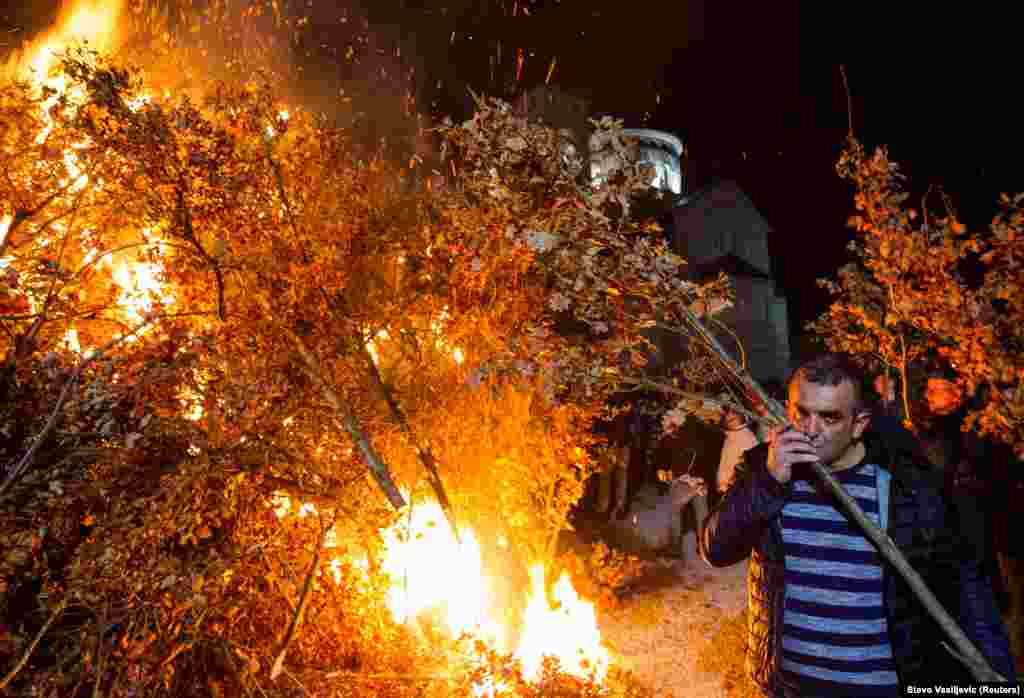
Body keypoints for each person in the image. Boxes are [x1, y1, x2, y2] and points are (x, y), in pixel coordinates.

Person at [700, 353, 1014, 696]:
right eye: (800, 412)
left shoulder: (905, 486)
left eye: (829, 417)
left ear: (859, 424)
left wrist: (998, 680)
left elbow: (968, 587)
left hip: (878, 687)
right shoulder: (764, 468)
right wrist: (770, 481)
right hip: (790, 687)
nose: (810, 430)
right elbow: (716, 550)